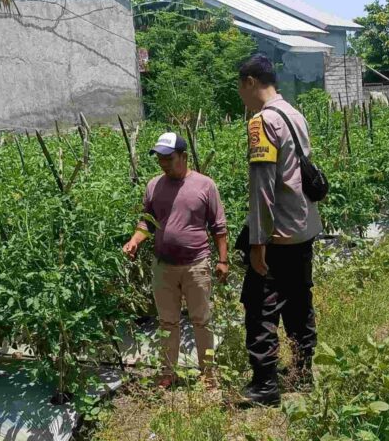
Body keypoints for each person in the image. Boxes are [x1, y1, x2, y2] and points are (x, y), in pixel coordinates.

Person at [236, 54, 322, 405]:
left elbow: (262, 187)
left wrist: (258, 242)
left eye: (240, 87)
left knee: (261, 307)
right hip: (304, 226)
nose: (241, 95)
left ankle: (265, 386)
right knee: (299, 303)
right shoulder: (294, 113)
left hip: (278, 233)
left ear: (251, 83)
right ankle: (303, 373)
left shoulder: (262, 122)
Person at [122, 132, 229, 388]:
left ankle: (208, 373)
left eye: (168, 158)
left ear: (183, 156)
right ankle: (167, 372)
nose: (163, 163)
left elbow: (219, 226)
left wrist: (223, 260)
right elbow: (146, 222)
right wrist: (135, 240)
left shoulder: (205, 185)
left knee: (201, 320)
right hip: (163, 266)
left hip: (196, 264)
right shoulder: (153, 185)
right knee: (167, 322)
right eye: (159, 158)